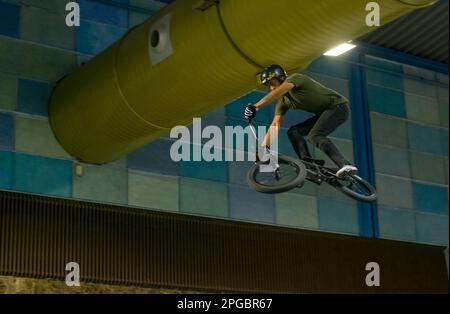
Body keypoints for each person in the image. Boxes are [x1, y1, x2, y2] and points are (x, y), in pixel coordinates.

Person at [244, 64, 357, 179]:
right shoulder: (283, 101)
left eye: (273, 83)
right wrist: (264, 147)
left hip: (338, 107)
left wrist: (256, 107)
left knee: (315, 136)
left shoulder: (295, 79)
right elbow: (275, 124)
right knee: (294, 131)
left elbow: (275, 94)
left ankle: (345, 164)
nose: (271, 88)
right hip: (324, 113)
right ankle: (309, 165)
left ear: (281, 78)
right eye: (268, 86)